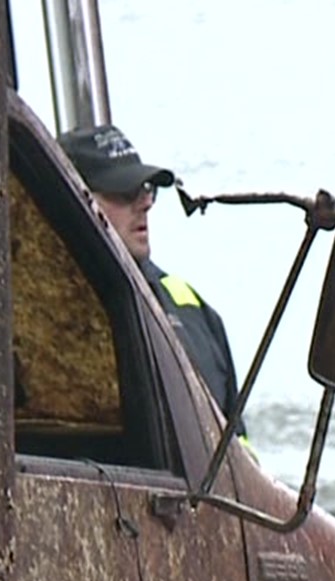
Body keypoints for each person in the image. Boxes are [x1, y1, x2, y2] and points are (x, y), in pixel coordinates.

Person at [58, 123, 244, 437]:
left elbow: (240, 453)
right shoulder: (35, 316)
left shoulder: (196, 312)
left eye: (146, 190)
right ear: (75, 202)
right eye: (124, 193)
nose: (145, 203)